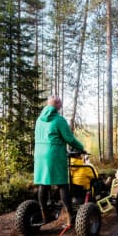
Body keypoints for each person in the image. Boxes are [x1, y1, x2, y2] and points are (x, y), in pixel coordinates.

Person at [34, 95, 84, 226]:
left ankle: (44, 213)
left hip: (39, 155)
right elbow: (69, 139)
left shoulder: (39, 119)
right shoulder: (59, 120)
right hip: (54, 154)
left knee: (43, 184)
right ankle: (70, 215)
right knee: (62, 184)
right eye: (60, 103)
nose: (61, 106)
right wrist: (81, 148)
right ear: (57, 105)